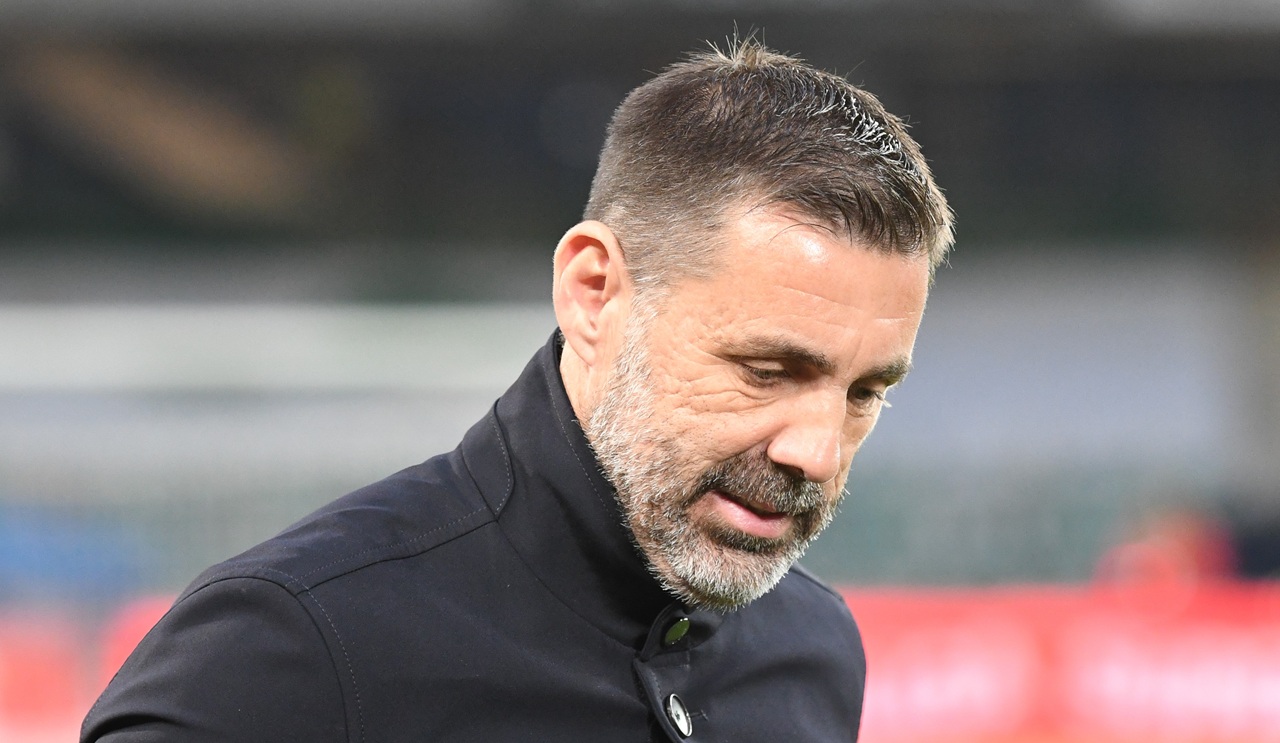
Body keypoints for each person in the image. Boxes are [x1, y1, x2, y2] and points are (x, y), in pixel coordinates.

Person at [82, 39, 953, 743]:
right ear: (594, 292)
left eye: (865, 392)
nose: (817, 451)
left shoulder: (813, 652)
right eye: (766, 371)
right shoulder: (289, 650)